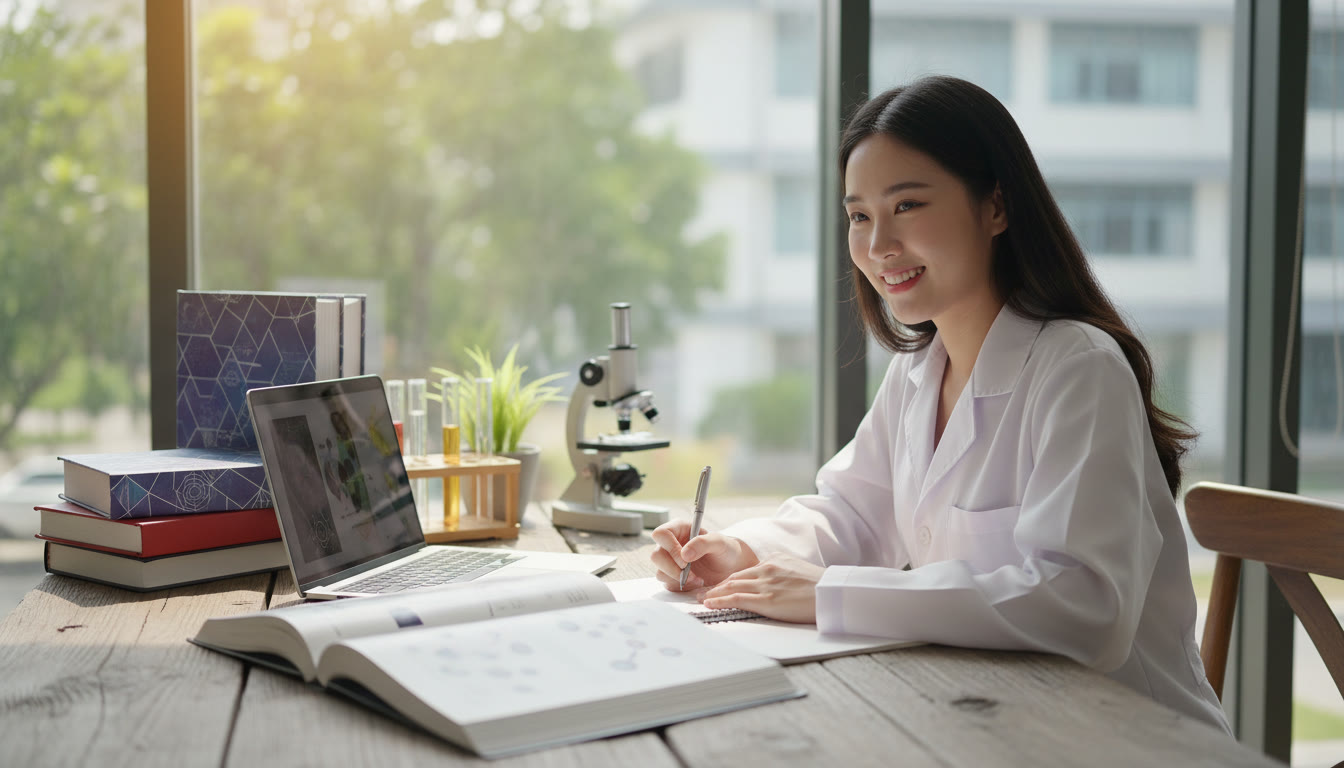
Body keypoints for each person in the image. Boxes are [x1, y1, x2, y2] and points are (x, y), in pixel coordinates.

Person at [650, 75, 1231, 734]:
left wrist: (832, 595)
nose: (877, 247)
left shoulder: (1080, 367)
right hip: (993, 721)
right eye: (860, 216)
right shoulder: (918, 370)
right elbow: (852, 513)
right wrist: (740, 551)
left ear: (996, 208)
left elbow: (1082, 604)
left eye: (908, 207)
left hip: (1126, 738)